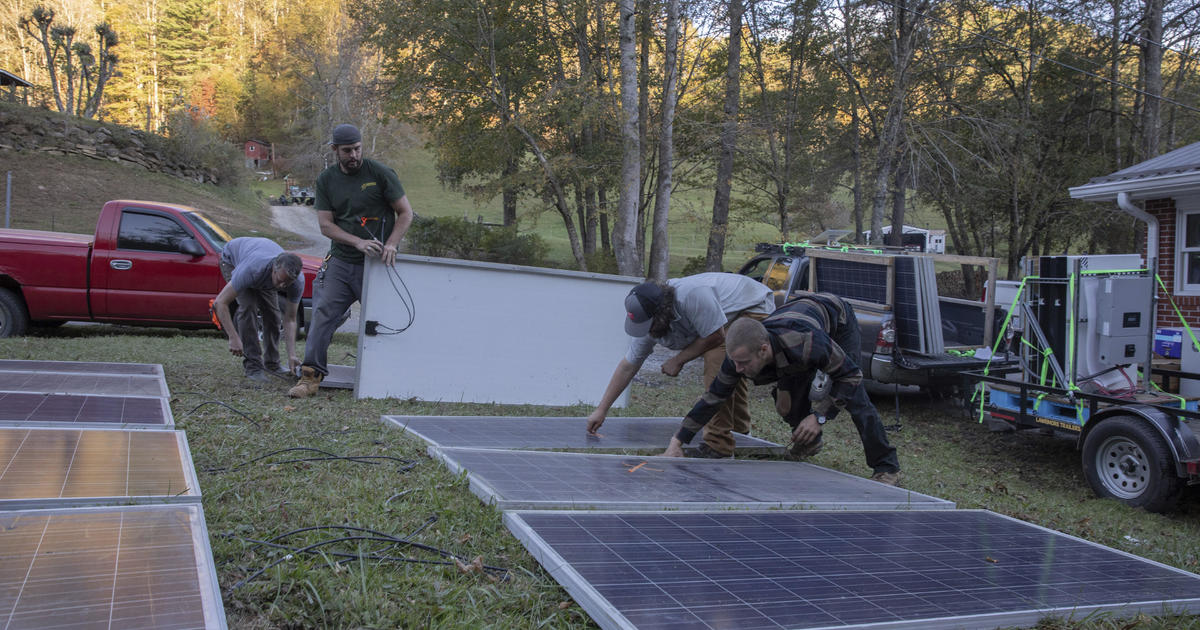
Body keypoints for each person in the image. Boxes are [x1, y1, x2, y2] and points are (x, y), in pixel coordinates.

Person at [662, 292, 902, 485]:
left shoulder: (808, 343)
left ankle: (887, 466)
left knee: (856, 400)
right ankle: (810, 442)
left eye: (744, 363)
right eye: (736, 362)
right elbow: (714, 398)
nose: (739, 369)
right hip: (791, 333)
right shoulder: (739, 357)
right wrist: (678, 440)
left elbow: (851, 376)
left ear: (763, 350)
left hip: (837, 320)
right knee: (785, 404)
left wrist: (819, 416)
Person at [587, 272, 775, 458]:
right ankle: (741, 434)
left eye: (649, 326)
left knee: (716, 360)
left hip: (753, 305)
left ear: (661, 313)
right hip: (721, 319)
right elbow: (628, 365)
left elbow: (716, 336)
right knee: (731, 369)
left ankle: (718, 446)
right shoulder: (648, 318)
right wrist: (601, 410)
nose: (648, 332)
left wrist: (678, 360)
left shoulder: (692, 296)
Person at [288, 123, 414, 398]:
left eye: (357, 149)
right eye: (347, 150)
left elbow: (405, 213)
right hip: (342, 263)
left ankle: (394, 379)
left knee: (387, 319)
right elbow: (325, 225)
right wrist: (357, 242)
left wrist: (391, 243)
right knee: (321, 315)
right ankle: (309, 378)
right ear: (335, 150)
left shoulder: (380, 174)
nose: (354, 155)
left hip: (379, 266)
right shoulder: (326, 180)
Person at [212, 237, 305, 383]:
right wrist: (233, 337)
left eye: (287, 283)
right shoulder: (251, 270)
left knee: (274, 316)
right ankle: (253, 367)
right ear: (274, 268)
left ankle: (272, 363)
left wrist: (292, 355)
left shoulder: (297, 282)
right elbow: (220, 302)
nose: (282, 286)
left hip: (259, 258)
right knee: (248, 308)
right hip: (233, 259)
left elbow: (290, 318)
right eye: (280, 280)